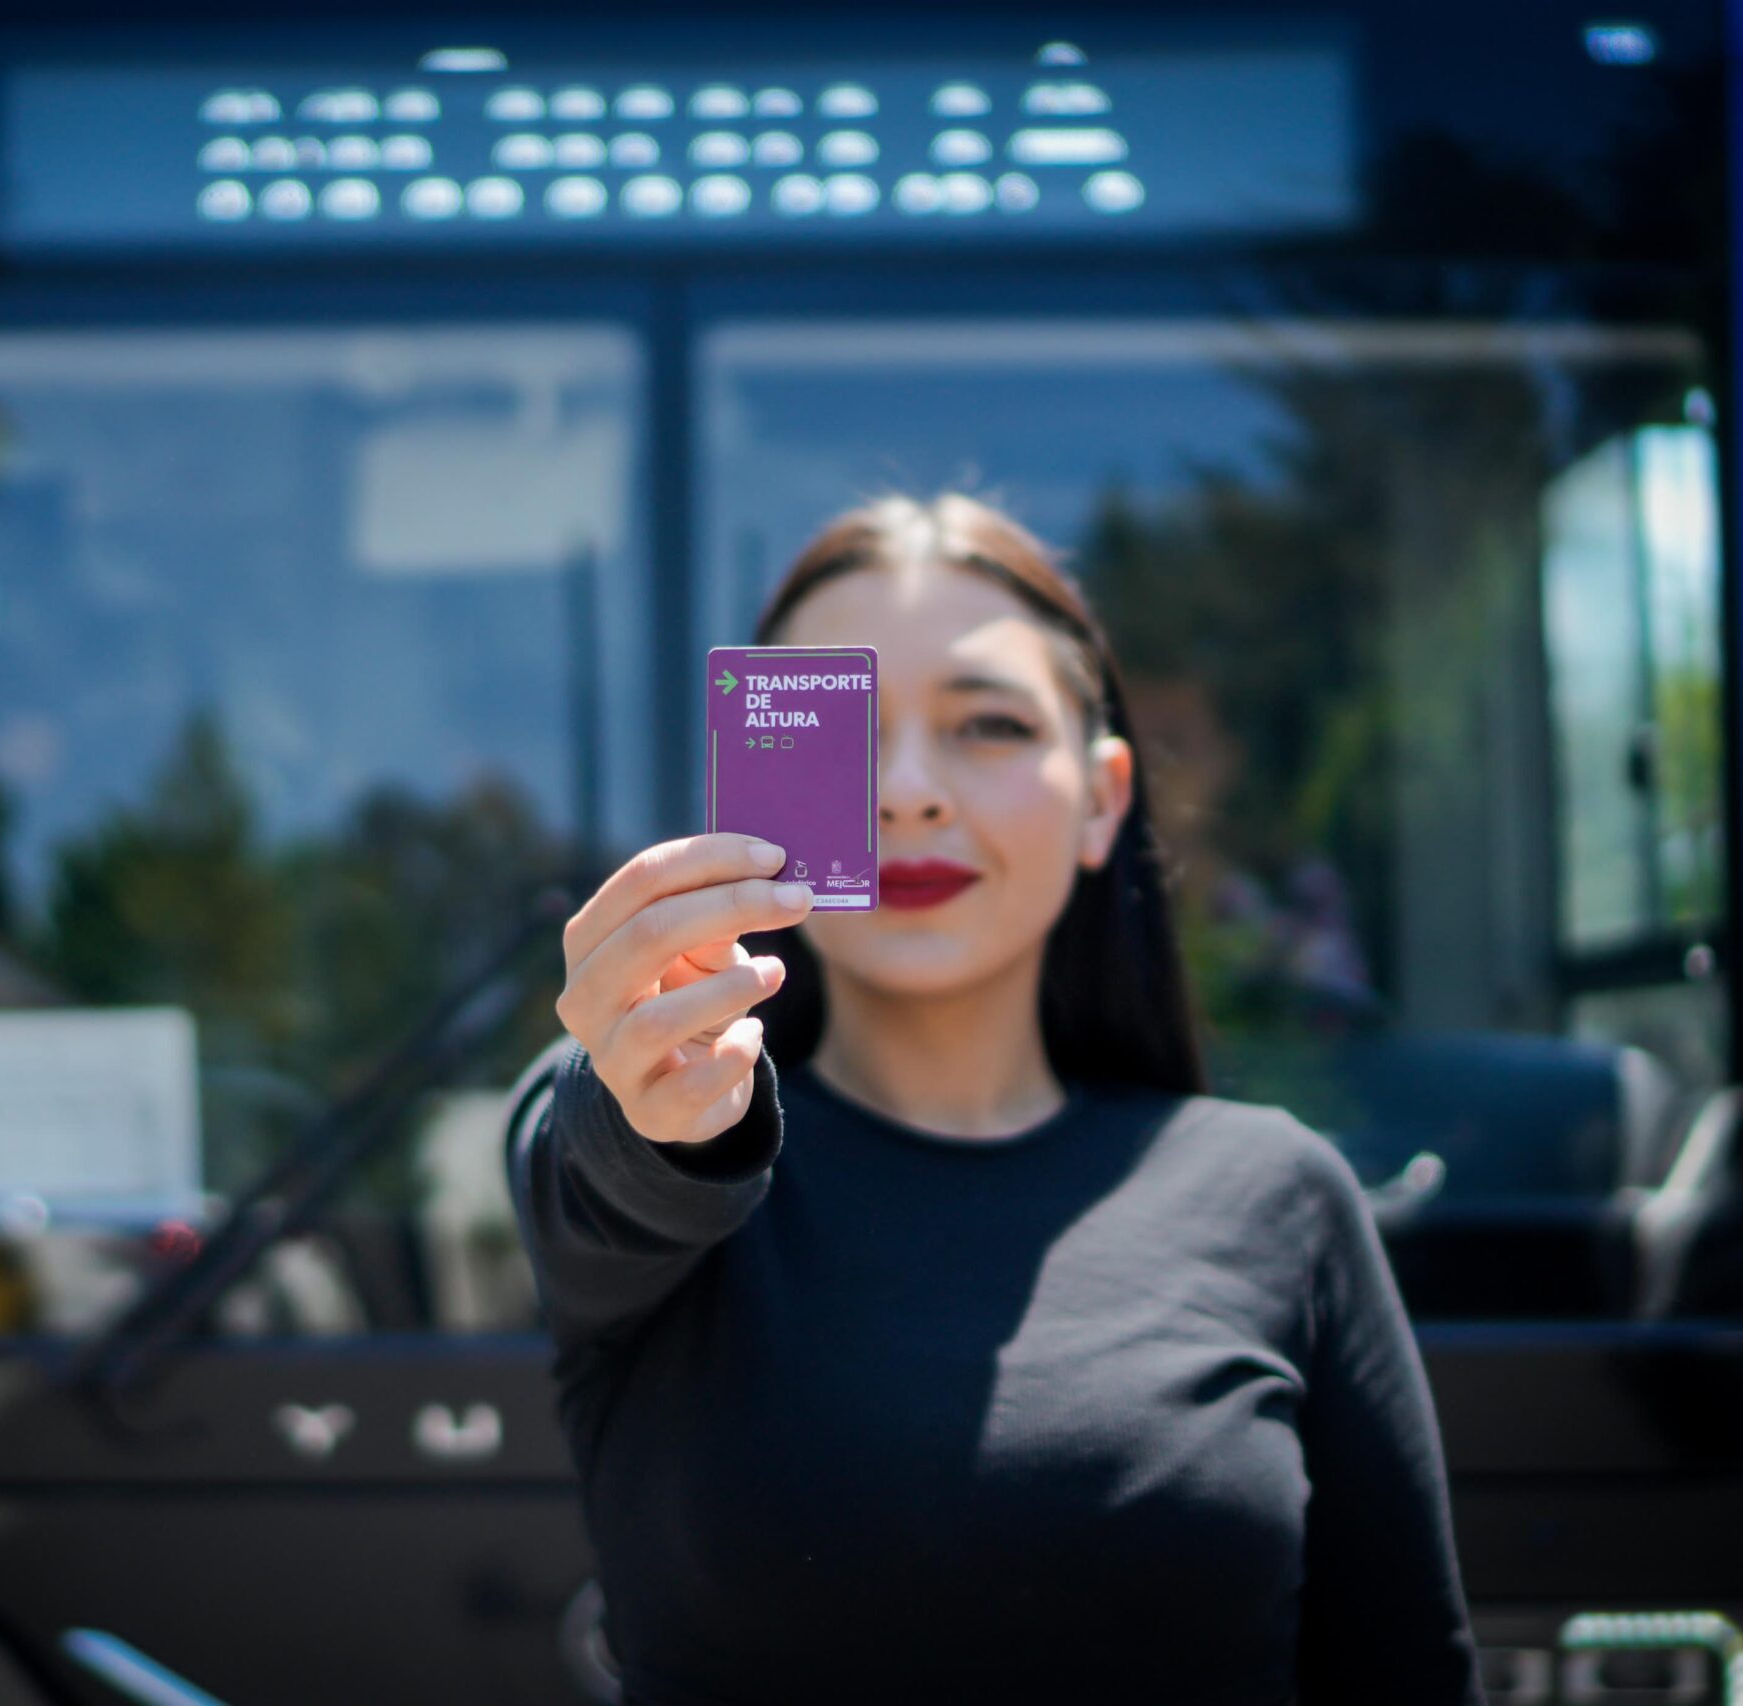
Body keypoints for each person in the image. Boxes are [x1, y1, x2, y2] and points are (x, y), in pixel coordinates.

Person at [505, 492, 1485, 1705]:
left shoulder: (1276, 1192)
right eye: (845, 728)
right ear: (755, 779)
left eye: (989, 723)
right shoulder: (667, 1166)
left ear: (1102, 798)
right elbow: (592, 1157)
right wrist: (652, 1100)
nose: (910, 790)